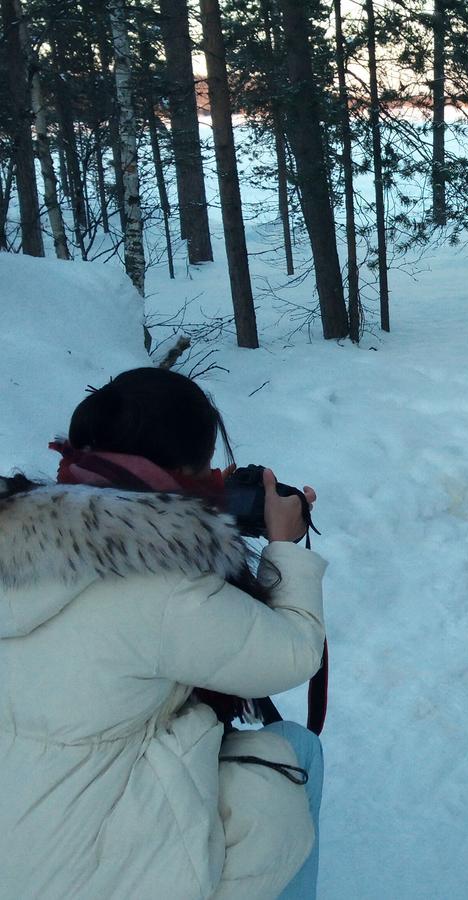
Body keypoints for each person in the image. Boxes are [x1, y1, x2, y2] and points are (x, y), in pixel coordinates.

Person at [0, 367, 327, 899]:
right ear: (182, 470)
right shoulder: (159, 581)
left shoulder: (20, 530)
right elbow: (292, 654)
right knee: (293, 757)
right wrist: (285, 546)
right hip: (85, 877)